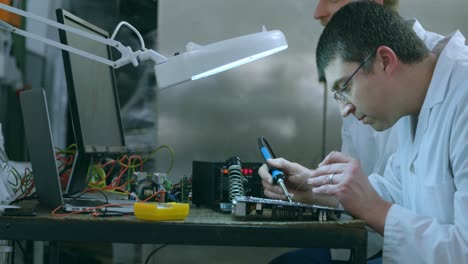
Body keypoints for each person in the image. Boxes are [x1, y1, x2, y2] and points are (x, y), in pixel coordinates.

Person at [263, 2, 468, 263]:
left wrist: (376, 210)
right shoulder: (413, 103)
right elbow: (398, 190)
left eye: (345, 87)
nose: (345, 109)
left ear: (385, 61)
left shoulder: (462, 98)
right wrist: (316, 188)